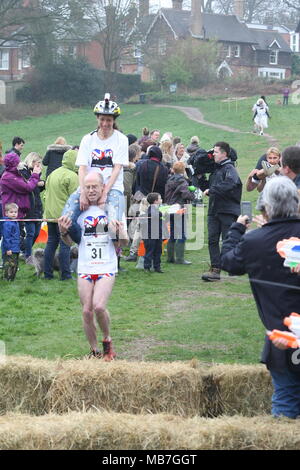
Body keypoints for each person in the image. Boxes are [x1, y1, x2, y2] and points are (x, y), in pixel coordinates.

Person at [221, 176, 300, 419]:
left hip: (283, 335)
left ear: (265, 207)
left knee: (286, 397)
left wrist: (237, 229)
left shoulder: (254, 241)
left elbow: (229, 262)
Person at [58, 172, 128, 360]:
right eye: (87, 187)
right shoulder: (79, 211)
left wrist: (119, 232)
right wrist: (63, 232)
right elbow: (68, 243)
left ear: (102, 187)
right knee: (87, 311)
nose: (90, 190)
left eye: (94, 186)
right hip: (85, 268)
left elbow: (125, 243)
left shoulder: (112, 209)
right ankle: (94, 351)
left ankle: (107, 341)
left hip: (106, 266)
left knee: (98, 307)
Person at [67, 93, 128, 242]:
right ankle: (80, 244)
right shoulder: (87, 139)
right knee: (66, 219)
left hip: (112, 187)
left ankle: (115, 249)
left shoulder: (122, 139)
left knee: (114, 224)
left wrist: (105, 192)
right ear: (97, 119)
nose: (105, 124)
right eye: (102, 119)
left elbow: (117, 168)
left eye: (109, 120)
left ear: (113, 121)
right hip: (89, 187)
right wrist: (82, 192)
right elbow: (82, 168)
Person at [201, 142, 242, 282]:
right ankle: (215, 270)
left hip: (227, 210)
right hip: (214, 210)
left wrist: (212, 190)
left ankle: (233, 267)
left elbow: (231, 183)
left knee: (227, 240)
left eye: (216, 152)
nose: (213, 154)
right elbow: (209, 187)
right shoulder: (216, 169)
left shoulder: (229, 168)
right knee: (212, 240)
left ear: (224, 154)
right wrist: (200, 181)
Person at [43, 149, 79, 280]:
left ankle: (48, 274)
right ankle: (66, 274)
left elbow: (46, 193)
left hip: (50, 214)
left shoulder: (53, 173)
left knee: (51, 243)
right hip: (64, 216)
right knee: (65, 244)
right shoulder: (72, 176)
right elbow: (76, 198)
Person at [164, 161, 195, 265]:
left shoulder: (169, 180)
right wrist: (192, 193)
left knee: (172, 233)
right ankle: (180, 259)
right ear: (183, 170)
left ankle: (170, 258)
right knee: (182, 234)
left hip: (169, 208)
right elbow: (186, 195)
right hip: (179, 209)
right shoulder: (182, 181)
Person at [19, 152, 45, 263]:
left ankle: (22, 250)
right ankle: (28, 256)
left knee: (37, 233)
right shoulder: (23, 172)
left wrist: (42, 183)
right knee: (30, 233)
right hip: (28, 206)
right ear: (32, 161)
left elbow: (36, 190)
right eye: (38, 163)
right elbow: (27, 187)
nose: (39, 165)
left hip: (37, 206)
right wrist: (35, 180)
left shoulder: (35, 172)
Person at [142, 192, 165, 273]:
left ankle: (157, 267)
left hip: (158, 234)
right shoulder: (151, 210)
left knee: (158, 251)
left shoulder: (157, 209)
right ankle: (147, 267)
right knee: (150, 251)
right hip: (150, 235)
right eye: (160, 198)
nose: (161, 200)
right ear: (155, 201)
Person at [2, 203, 20, 281]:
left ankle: (11, 279)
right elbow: (6, 237)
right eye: (11, 212)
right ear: (6, 213)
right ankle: (6, 279)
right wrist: (8, 249)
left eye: (15, 212)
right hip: (10, 249)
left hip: (15, 248)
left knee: (15, 264)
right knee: (8, 264)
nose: (14, 214)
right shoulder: (7, 223)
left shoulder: (15, 222)